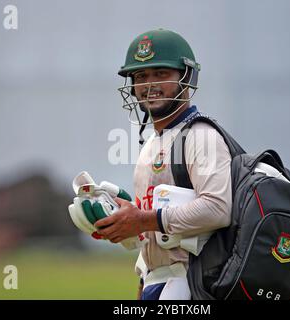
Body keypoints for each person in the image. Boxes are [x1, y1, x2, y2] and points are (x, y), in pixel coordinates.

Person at [93, 28, 232, 300]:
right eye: (141, 76)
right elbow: (153, 227)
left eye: (161, 73)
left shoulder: (201, 135)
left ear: (186, 77)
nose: (149, 84)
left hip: (193, 283)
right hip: (159, 280)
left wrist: (143, 219)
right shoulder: (153, 142)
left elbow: (218, 209)